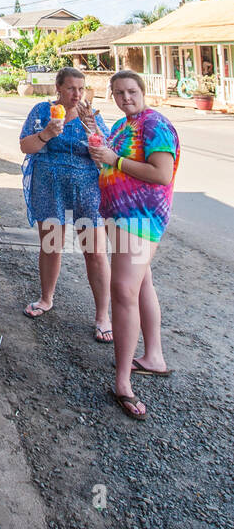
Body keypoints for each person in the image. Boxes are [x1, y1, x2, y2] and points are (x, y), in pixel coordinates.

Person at [88, 70, 180, 422]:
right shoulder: (125, 125)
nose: (125, 97)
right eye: (118, 92)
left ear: (142, 91)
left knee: (123, 290)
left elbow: (160, 173)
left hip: (140, 221)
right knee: (142, 284)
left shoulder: (154, 124)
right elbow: (108, 153)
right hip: (122, 217)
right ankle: (153, 357)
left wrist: (116, 161)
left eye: (130, 91)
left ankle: (122, 382)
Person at [19, 66, 113, 341]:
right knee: (51, 246)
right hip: (49, 186)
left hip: (86, 187)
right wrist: (47, 133)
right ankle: (46, 298)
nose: (77, 94)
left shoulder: (91, 116)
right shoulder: (41, 111)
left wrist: (91, 127)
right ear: (58, 88)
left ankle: (102, 315)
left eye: (81, 89)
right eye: (71, 88)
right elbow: (26, 146)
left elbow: (105, 153)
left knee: (94, 251)